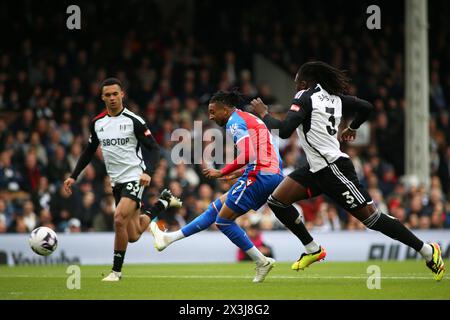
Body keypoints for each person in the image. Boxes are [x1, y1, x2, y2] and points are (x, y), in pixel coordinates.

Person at [250, 61, 445, 281]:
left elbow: (285, 131)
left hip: (334, 169)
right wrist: (352, 127)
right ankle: (313, 248)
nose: (297, 88)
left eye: (297, 83)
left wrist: (264, 114)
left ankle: (427, 250)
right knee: (277, 201)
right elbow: (366, 107)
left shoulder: (305, 96)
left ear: (304, 82)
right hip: (316, 168)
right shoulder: (335, 97)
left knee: (372, 219)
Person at [151, 90, 322, 282]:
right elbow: (265, 155)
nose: (210, 116)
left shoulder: (234, 122)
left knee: (223, 222)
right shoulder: (249, 118)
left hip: (259, 176)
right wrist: (238, 173)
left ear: (225, 109)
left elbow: (248, 155)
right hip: (269, 174)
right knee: (215, 209)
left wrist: (221, 171)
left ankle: (261, 261)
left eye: (213, 111)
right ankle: (168, 239)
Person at [63, 78, 181, 281]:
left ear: (122, 95)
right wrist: (73, 176)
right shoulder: (98, 123)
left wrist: (148, 172)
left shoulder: (134, 121)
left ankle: (116, 272)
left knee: (118, 218)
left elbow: (154, 149)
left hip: (135, 177)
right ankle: (162, 203)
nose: (112, 98)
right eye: (107, 95)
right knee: (133, 235)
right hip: (116, 182)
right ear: (102, 98)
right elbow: (89, 150)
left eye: (115, 94)